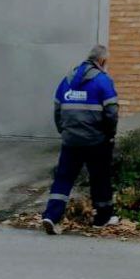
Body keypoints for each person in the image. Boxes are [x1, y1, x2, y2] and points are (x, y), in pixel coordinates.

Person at [42, 45, 120, 235]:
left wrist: (64, 131)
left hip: (71, 140)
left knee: (63, 178)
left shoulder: (67, 79)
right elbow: (111, 112)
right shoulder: (103, 80)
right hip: (96, 141)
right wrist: (109, 134)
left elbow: (57, 109)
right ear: (102, 61)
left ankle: (51, 216)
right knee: (100, 177)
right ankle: (102, 218)